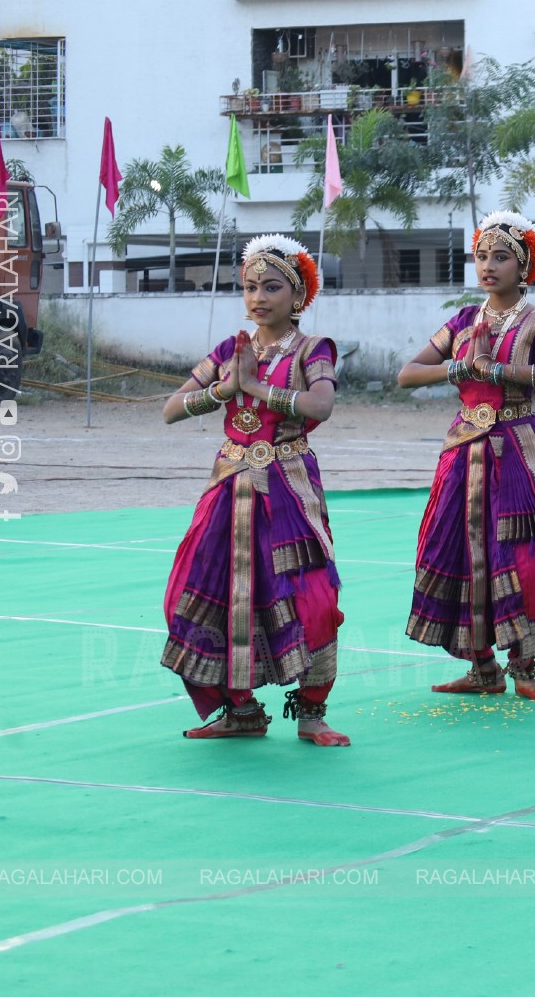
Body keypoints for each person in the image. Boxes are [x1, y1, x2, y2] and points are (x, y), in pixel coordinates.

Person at [161, 235, 348, 746]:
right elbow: (171, 409)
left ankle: (312, 714)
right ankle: (241, 710)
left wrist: (258, 388)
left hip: (288, 488)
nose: (258, 297)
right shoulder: (229, 350)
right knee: (204, 595)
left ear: (298, 294)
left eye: (271, 287)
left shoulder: (314, 349)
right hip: (228, 488)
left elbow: (321, 406)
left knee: (312, 600)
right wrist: (225, 388)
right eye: (249, 287)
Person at [398, 211, 535, 702]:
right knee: (458, 549)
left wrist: (494, 368)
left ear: (524, 266)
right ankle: (482, 668)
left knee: (522, 557)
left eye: (501, 257)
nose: (488, 266)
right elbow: (408, 374)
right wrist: (459, 367)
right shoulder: (462, 322)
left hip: (516, 446)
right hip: (463, 450)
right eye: (481, 256)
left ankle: (524, 668)